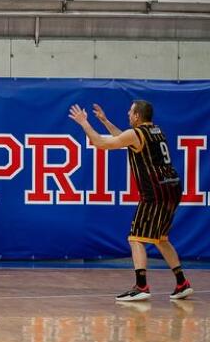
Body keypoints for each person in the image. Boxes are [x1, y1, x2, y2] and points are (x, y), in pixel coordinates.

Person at [69, 100, 192, 301]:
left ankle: (141, 286)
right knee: (160, 238)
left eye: (130, 112)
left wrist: (84, 123)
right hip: (173, 188)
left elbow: (102, 144)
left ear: (137, 116)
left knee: (136, 238)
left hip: (156, 191)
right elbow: (123, 137)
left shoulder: (136, 134)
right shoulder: (155, 130)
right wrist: (105, 121)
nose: (127, 114)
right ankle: (182, 283)